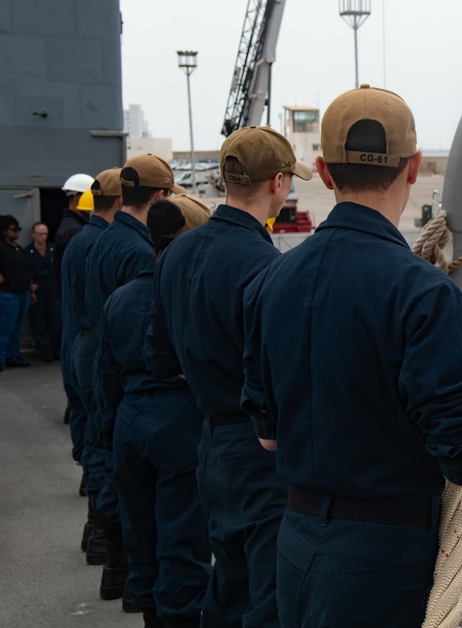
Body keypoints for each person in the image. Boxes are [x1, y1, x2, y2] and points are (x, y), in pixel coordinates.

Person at [241, 85, 462, 627]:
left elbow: (267, 435)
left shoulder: (269, 282)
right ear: (413, 167)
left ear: (324, 172)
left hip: (296, 539)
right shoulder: (424, 293)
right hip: (387, 558)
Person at [145, 125, 311, 628]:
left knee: (227, 582)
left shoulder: (175, 253)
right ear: (278, 183)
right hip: (258, 452)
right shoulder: (266, 265)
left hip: (209, 443)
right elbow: (283, 376)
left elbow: (157, 355)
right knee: (269, 594)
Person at [96, 196, 213, 628]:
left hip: (130, 421)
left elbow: (104, 379)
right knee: (181, 543)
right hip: (178, 426)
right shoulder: (190, 297)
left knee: (141, 538)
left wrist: (110, 435)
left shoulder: (121, 298)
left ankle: (148, 613)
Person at [85, 154, 183, 605]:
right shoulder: (139, 253)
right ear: (161, 196)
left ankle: (120, 569)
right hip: (144, 391)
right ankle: (122, 566)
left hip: (107, 368)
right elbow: (152, 339)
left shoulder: (100, 240)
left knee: (117, 476)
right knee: (166, 527)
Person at [63, 168, 122, 565]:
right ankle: (102, 534)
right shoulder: (102, 244)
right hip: (94, 347)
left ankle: (95, 530)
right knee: (104, 441)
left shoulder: (78, 240)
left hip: (77, 346)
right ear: (119, 202)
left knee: (92, 436)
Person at [25, 222, 61, 362]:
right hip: (38, 290)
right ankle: (46, 350)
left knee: (56, 320)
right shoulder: (28, 252)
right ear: (33, 234)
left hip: (53, 288)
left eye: (45, 233)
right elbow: (26, 272)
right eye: (40, 234)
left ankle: (57, 349)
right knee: (39, 321)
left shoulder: (53, 249)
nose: (43, 237)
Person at [0, 215, 32, 370]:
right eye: (13, 229)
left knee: (17, 327)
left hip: (22, 292)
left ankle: (13, 356)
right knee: (5, 328)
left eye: (18, 229)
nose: (17, 233)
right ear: (4, 231)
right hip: (8, 293)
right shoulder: (1, 248)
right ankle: (1, 358)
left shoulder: (16, 248)